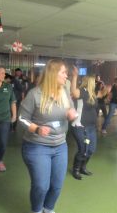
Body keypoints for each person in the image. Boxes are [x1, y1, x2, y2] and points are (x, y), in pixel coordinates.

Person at [18, 59, 77, 213]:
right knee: (41, 186)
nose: (66, 76)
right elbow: (21, 118)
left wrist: (72, 114)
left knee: (57, 185)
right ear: (53, 74)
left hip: (60, 146)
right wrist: (36, 128)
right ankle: (37, 210)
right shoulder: (35, 94)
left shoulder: (64, 92)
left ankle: (48, 209)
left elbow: (71, 110)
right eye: (63, 72)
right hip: (37, 146)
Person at [70, 67, 98, 180]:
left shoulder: (93, 94)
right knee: (83, 149)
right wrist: (75, 76)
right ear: (90, 82)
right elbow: (74, 93)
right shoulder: (82, 92)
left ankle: (83, 167)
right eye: (94, 81)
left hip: (91, 127)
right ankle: (75, 169)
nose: (95, 83)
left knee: (91, 149)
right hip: (80, 126)